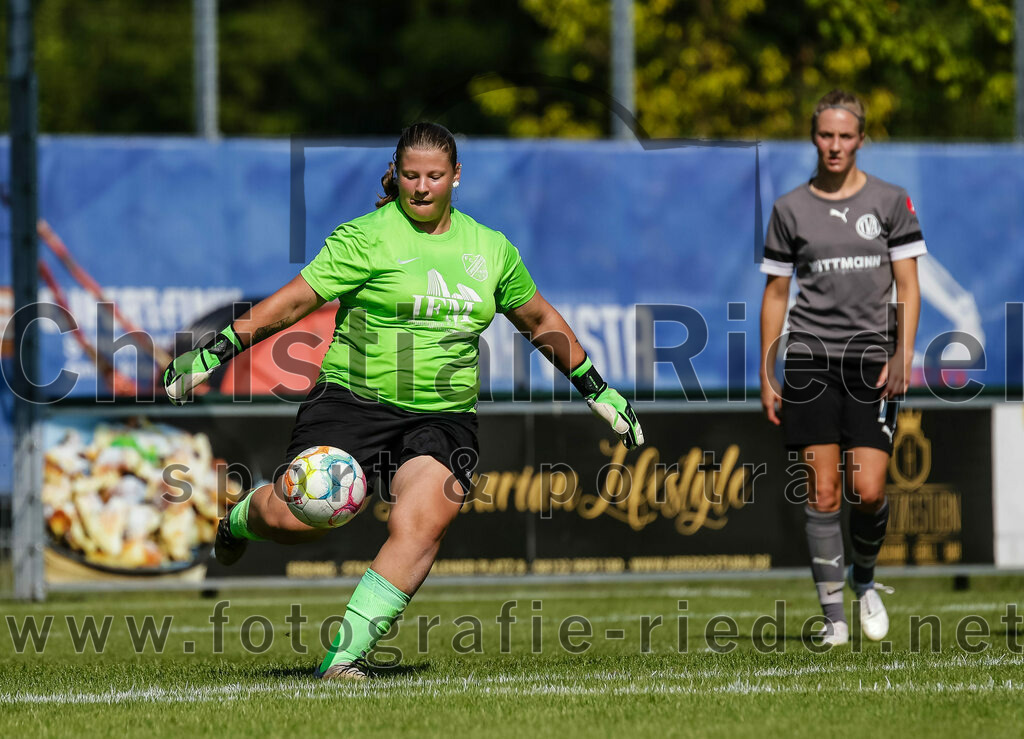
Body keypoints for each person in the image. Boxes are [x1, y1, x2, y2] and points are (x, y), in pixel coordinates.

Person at [163, 122, 644, 678]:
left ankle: (343, 658)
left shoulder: (490, 250)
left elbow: (537, 318)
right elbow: (293, 303)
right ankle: (242, 518)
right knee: (305, 521)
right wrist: (214, 351)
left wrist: (595, 386)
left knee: (425, 518)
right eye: (410, 175)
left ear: (456, 177)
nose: (421, 187)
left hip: (442, 416)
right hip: (351, 401)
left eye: (434, 176)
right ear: (395, 175)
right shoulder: (366, 237)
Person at [759, 90, 925, 646]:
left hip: (872, 360)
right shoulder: (789, 209)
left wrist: (903, 351)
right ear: (814, 137)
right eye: (826, 135)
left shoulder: (890, 201)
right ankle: (833, 622)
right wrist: (769, 369)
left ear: (860, 138)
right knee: (823, 494)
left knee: (869, 489)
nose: (835, 145)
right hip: (809, 362)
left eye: (845, 136)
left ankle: (866, 577)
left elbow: (908, 285)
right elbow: (776, 293)